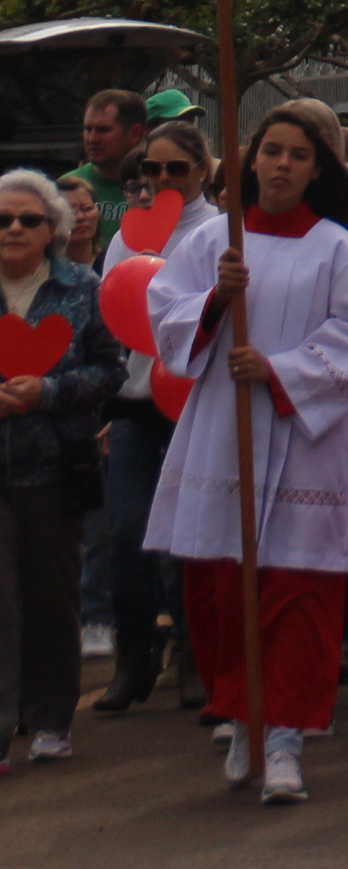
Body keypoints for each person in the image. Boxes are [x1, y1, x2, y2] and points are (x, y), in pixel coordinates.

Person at [144, 99, 348, 804]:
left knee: (298, 593)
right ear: (251, 162)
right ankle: (244, 719)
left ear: (317, 171)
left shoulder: (337, 248)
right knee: (226, 589)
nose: (281, 165)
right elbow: (164, 311)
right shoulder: (214, 242)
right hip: (225, 430)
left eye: (298, 155)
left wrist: (280, 370)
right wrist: (216, 301)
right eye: (271, 152)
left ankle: (286, 738)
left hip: (306, 438)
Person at [0, 166, 118, 775]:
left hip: (55, 467)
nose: (14, 229)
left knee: (51, 600)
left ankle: (49, 721)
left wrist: (47, 392)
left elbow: (110, 369)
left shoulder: (83, 286)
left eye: (30, 219)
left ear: (54, 228)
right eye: (3, 219)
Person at [90, 119, 210, 715]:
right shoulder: (126, 236)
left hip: (195, 403)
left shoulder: (218, 232)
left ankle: (195, 656)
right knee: (125, 532)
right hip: (135, 404)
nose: (162, 179)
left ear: (202, 171)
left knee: (190, 536)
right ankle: (134, 655)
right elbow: (111, 317)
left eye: (175, 169)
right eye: (151, 170)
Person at [62, 90, 147, 255]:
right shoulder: (67, 186)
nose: (92, 139)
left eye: (103, 130)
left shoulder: (157, 186)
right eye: (88, 129)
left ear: (135, 133)